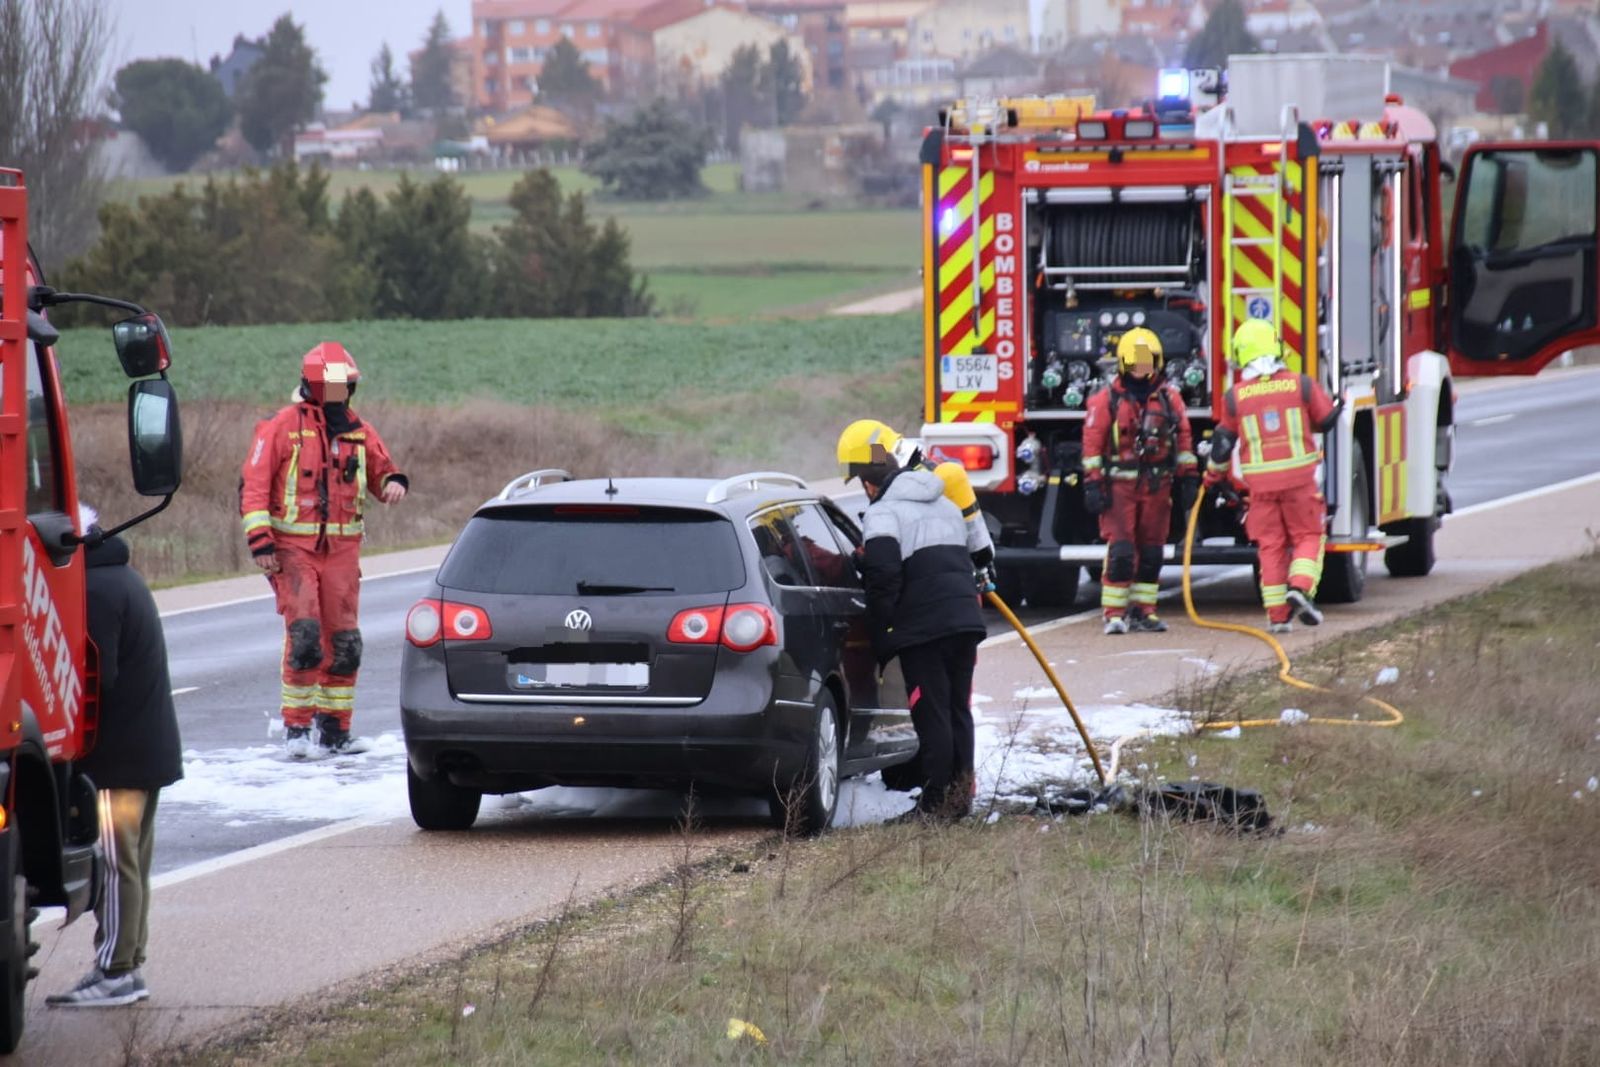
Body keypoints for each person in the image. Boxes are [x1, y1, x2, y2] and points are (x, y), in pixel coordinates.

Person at [240, 343, 408, 756]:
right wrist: (261, 542)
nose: (346, 393)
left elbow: (383, 468)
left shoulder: (357, 430)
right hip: (293, 550)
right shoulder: (280, 426)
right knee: (305, 635)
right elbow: (255, 487)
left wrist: (394, 482)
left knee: (346, 642)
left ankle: (335, 731)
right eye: (340, 385)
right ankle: (297, 732)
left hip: (342, 552)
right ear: (320, 386)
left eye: (348, 386)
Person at [47, 506, 183, 1008]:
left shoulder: (98, 591)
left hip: (120, 758)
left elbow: (92, 676)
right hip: (144, 750)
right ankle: (129, 966)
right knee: (131, 862)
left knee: (113, 860)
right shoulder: (120, 577)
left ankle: (115, 970)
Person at [841, 427, 987, 820]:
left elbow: (884, 579)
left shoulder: (883, 512)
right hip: (964, 621)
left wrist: (882, 632)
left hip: (926, 628)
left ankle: (936, 804)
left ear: (870, 484)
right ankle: (959, 799)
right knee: (958, 710)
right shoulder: (943, 504)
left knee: (931, 712)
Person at [1204, 319, 1342, 634]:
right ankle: (1301, 587)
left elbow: (1222, 445)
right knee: (1308, 536)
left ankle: (1278, 617)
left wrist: (1213, 479)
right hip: (1299, 483)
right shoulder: (1301, 384)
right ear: (1276, 347)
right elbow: (1326, 419)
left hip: (1260, 488)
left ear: (1241, 355)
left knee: (1270, 546)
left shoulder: (1235, 396)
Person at [1081, 327, 1197, 635]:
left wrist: (1189, 477)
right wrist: (1093, 482)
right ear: (1123, 363)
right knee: (1121, 551)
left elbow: (1183, 437)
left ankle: (1145, 611)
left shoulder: (1170, 399)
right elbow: (1092, 443)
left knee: (1152, 552)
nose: (1142, 368)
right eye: (1136, 362)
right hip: (1119, 488)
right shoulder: (1105, 401)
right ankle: (1114, 613)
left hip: (1158, 486)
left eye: (1147, 362)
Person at [834, 418, 995, 576]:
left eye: (864, 477)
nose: (867, 487)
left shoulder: (909, 492)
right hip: (960, 581)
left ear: (878, 456)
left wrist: (870, 561)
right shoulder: (926, 474)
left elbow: (902, 555)